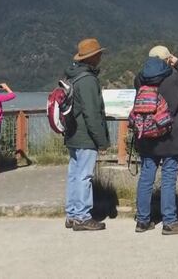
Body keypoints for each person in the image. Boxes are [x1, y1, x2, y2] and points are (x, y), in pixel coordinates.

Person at [134, 45, 178, 235]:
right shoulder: (175, 80)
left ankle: (142, 220)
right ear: (167, 60)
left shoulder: (139, 79)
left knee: (147, 175)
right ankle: (170, 222)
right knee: (169, 176)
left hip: (147, 135)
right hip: (172, 135)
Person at [63, 38, 111, 231]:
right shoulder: (88, 80)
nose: (100, 56)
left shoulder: (73, 77)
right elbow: (92, 114)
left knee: (74, 174)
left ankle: (72, 214)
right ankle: (82, 217)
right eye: (98, 54)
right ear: (92, 58)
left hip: (73, 133)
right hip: (85, 137)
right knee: (84, 176)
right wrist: (102, 141)